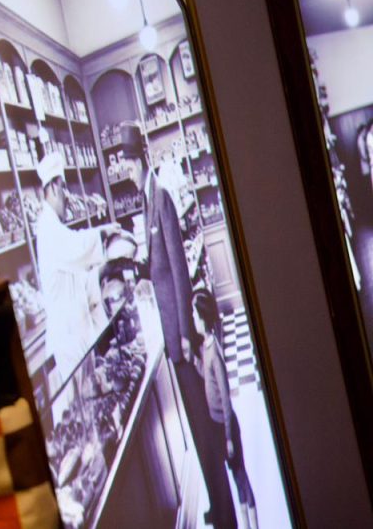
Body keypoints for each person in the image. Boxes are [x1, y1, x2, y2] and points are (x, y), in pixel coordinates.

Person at [119, 122, 238, 528]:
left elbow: (180, 271)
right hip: (173, 337)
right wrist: (137, 270)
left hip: (181, 339)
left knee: (205, 428)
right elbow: (159, 267)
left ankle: (226, 514)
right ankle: (216, 504)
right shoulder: (146, 201)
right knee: (197, 425)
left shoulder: (162, 198)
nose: (125, 170)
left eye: (127, 162)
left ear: (140, 159)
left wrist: (186, 335)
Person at [34, 150, 120, 389]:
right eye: (64, 188)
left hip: (78, 336)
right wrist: (103, 232)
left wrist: (105, 269)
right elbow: (76, 247)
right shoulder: (47, 228)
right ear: (53, 188)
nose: (68, 197)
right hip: (68, 340)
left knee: (90, 392)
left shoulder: (55, 227)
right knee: (78, 401)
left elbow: (77, 280)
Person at [193, 289, 258, 529]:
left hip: (227, 427)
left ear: (203, 318)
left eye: (194, 314)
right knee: (235, 475)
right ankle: (245, 523)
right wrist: (195, 361)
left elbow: (226, 401)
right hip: (219, 427)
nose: (192, 318)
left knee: (241, 476)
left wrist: (229, 437)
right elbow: (207, 377)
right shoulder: (206, 348)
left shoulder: (215, 353)